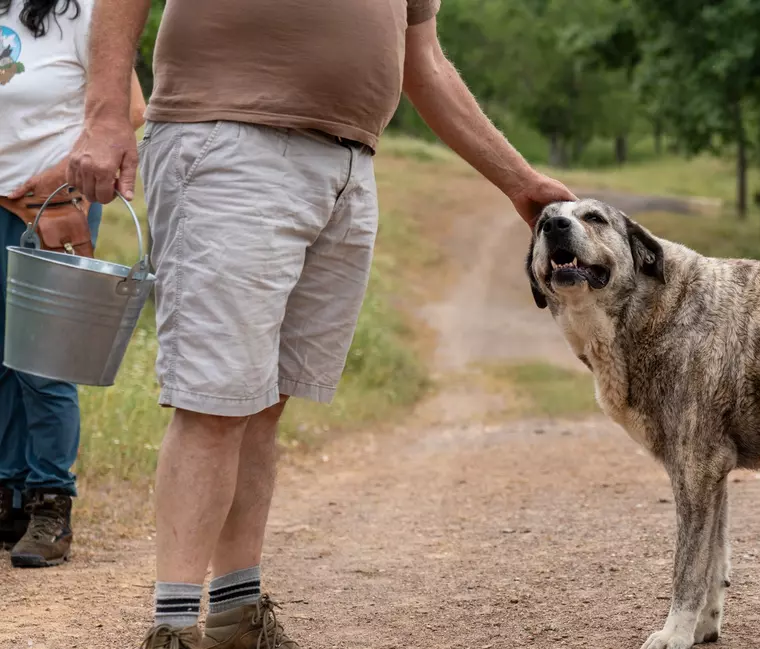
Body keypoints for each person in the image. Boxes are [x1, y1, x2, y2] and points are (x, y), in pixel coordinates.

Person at [66, 0, 576, 646]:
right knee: (215, 399)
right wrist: (106, 112)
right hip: (229, 142)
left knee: (264, 401)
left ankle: (233, 613)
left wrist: (518, 181)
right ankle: (172, 630)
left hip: (347, 169)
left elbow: (424, 60)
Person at [0, 0, 145, 569]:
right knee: (2, 358)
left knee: (44, 360)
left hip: (50, 202)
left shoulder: (87, 12)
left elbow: (131, 110)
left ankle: (49, 505)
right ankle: (8, 494)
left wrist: (60, 175)